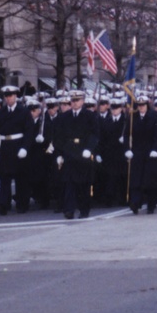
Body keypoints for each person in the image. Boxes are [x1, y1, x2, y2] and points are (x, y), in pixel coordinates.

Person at [53, 90, 99, 219]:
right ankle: (69, 210)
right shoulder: (64, 117)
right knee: (69, 183)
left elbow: (95, 134)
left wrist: (89, 149)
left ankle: (84, 209)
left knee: (84, 184)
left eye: (77, 100)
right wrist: (59, 154)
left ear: (83, 101)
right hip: (69, 152)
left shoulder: (89, 116)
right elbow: (59, 137)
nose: (74, 103)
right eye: (72, 101)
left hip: (84, 152)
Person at [124, 94, 157, 214]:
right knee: (137, 179)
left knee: (151, 181)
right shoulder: (132, 117)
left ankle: (151, 204)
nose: (141, 107)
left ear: (147, 105)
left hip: (151, 152)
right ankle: (135, 203)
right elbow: (126, 135)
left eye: (143, 105)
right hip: (137, 152)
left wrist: (156, 149)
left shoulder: (155, 116)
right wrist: (127, 149)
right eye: (139, 105)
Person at [0, 85, 29, 215]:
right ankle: (3, 204)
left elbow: (28, 131)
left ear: (16, 96)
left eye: (11, 96)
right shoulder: (1, 112)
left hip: (18, 144)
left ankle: (22, 203)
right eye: (6, 96)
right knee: (4, 177)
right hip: (5, 146)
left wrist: (25, 148)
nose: (8, 98)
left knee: (20, 177)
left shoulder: (23, 111)